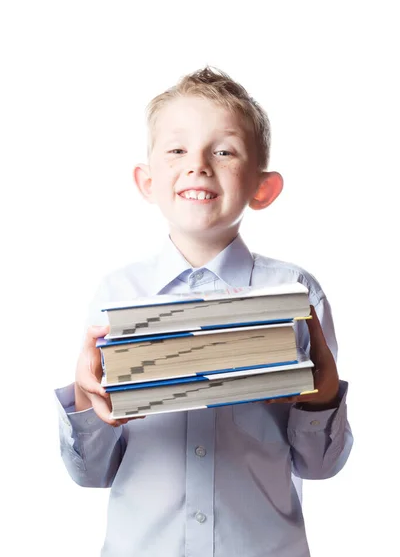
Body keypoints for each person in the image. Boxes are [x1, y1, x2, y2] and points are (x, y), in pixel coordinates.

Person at [56, 67, 353, 557]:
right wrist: (88, 401)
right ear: (146, 182)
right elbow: (90, 473)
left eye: (223, 150)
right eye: (177, 150)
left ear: (264, 187)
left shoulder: (296, 293)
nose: (198, 165)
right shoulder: (116, 294)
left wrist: (322, 400)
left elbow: (320, 466)